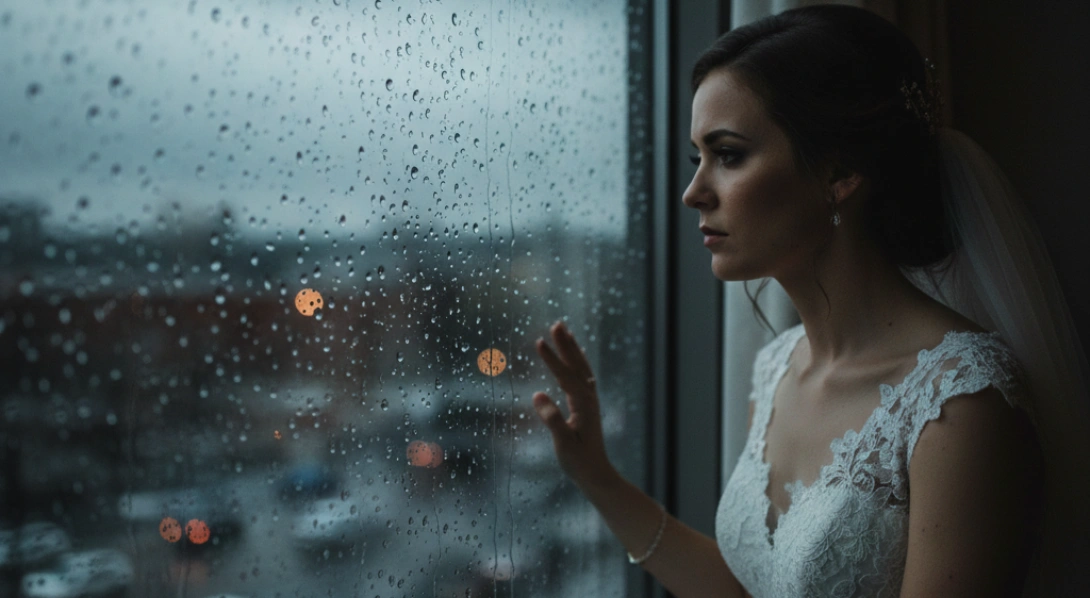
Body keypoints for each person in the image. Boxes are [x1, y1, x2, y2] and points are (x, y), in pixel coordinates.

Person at [530, 5, 1085, 597]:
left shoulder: (962, 402)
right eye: (698, 159)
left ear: (839, 173)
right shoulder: (777, 367)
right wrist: (597, 477)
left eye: (728, 155)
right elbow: (753, 590)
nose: (694, 192)